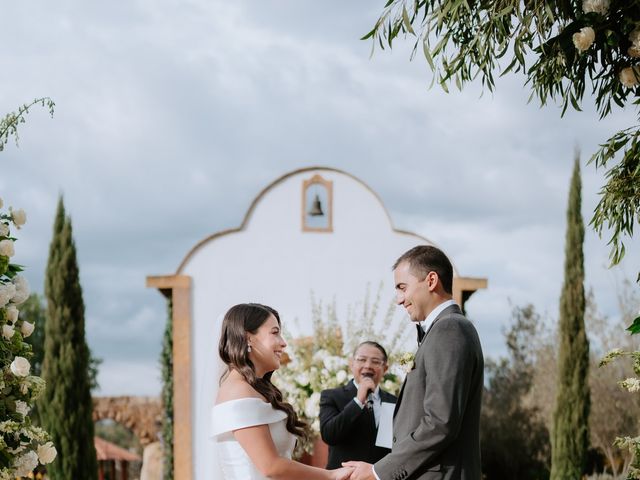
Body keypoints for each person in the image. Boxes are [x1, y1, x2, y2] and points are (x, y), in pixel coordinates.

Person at [344, 245, 484, 480]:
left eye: (402, 287)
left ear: (431, 281)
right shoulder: (443, 330)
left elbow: (440, 422)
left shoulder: (450, 329)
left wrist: (379, 472)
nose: (399, 300)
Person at [212, 303, 353, 480]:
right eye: (275, 332)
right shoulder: (238, 390)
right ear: (248, 338)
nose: (283, 342)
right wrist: (330, 475)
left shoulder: (253, 390)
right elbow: (270, 466)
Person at [320, 341, 397, 469]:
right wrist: (358, 401)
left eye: (376, 361)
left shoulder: (394, 401)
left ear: (385, 368)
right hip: (343, 476)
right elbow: (329, 435)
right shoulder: (332, 396)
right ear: (351, 364)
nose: (368, 365)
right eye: (362, 360)